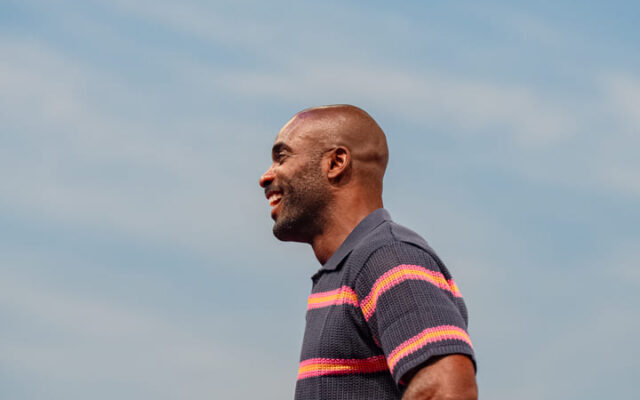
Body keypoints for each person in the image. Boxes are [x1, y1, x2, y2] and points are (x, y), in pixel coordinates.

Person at [259, 105, 477, 400]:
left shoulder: (389, 256)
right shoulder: (354, 268)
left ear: (335, 163)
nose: (265, 177)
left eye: (281, 157)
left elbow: (446, 386)